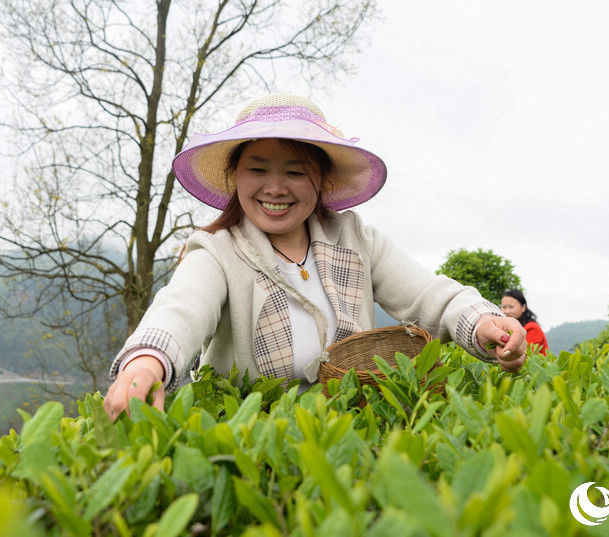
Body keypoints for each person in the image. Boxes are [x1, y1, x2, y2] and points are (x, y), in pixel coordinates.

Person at [103, 94, 527, 419]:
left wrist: (484, 322)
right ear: (235, 177)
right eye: (257, 169)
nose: (274, 188)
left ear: (320, 180)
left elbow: (431, 297)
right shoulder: (217, 251)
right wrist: (146, 361)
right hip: (250, 442)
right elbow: (180, 310)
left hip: (347, 432)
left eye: (294, 171)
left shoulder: (354, 238)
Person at [500, 289, 549, 355]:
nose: (507, 311)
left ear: (523, 307)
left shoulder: (532, 328)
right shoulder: (506, 328)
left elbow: (526, 355)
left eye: (511, 307)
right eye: (504, 307)